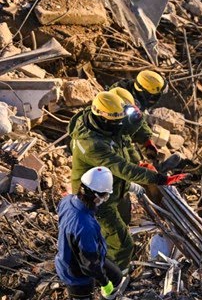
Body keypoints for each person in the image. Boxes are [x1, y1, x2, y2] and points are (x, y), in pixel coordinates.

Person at [69, 91, 188, 273]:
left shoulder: (104, 125)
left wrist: (141, 131)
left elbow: (124, 139)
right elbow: (122, 168)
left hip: (114, 188)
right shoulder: (92, 144)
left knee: (120, 224)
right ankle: (114, 281)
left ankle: (103, 258)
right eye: (115, 121)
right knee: (123, 244)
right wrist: (159, 179)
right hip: (95, 199)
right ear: (101, 117)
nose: (119, 125)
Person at [55, 167, 124, 300]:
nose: (105, 200)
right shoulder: (84, 225)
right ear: (95, 196)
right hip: (74, 270)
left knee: (116, 276)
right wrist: (103, 282)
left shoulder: (68, 201)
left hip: (88, 257)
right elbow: (89, 265)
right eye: (105, 196)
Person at [110, 70, 167, 159]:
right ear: (148, 94)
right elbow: (122, 137)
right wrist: (138, 163)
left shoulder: (135, 95)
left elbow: (139, 119)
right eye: (156, 95)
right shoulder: (122, 102)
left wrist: (147, 140)